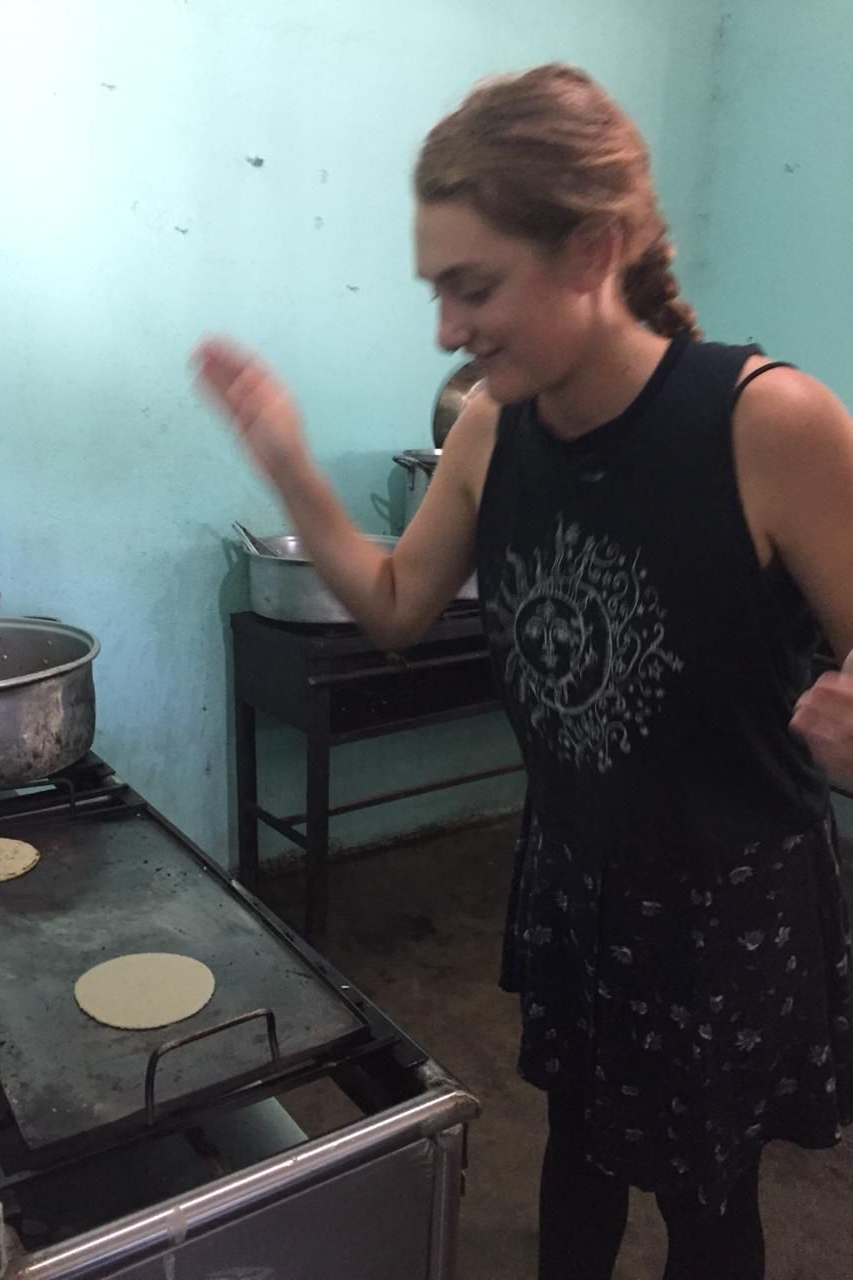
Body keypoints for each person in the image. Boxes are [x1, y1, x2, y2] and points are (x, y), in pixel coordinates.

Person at [193, 63, 853, 1280]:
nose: (446, 326)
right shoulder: (493, 428)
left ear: (593, 249)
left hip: (728, 908)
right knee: (577, 1163)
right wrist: (286, 456)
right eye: (439, 288)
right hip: (576, 878)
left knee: (710, 1207)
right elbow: (393, 606)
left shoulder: (771, 424)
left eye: (472, 286)